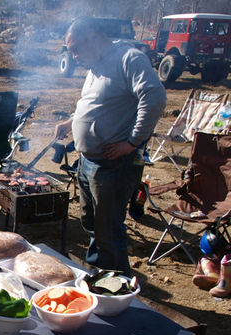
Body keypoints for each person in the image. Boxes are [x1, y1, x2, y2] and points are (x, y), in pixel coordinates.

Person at [54, 16, 166, 276]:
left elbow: (155, 97)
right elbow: (99, 104)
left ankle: (115, 288)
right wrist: (72, 122)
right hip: (89, 162)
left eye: (75, 48)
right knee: (91, 223)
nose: (74, 56)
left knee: (108, 230)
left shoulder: (128, 58)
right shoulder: (94, 66)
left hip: (114, 165)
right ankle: (101, 279)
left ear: (93, 36)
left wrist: (132, 142)